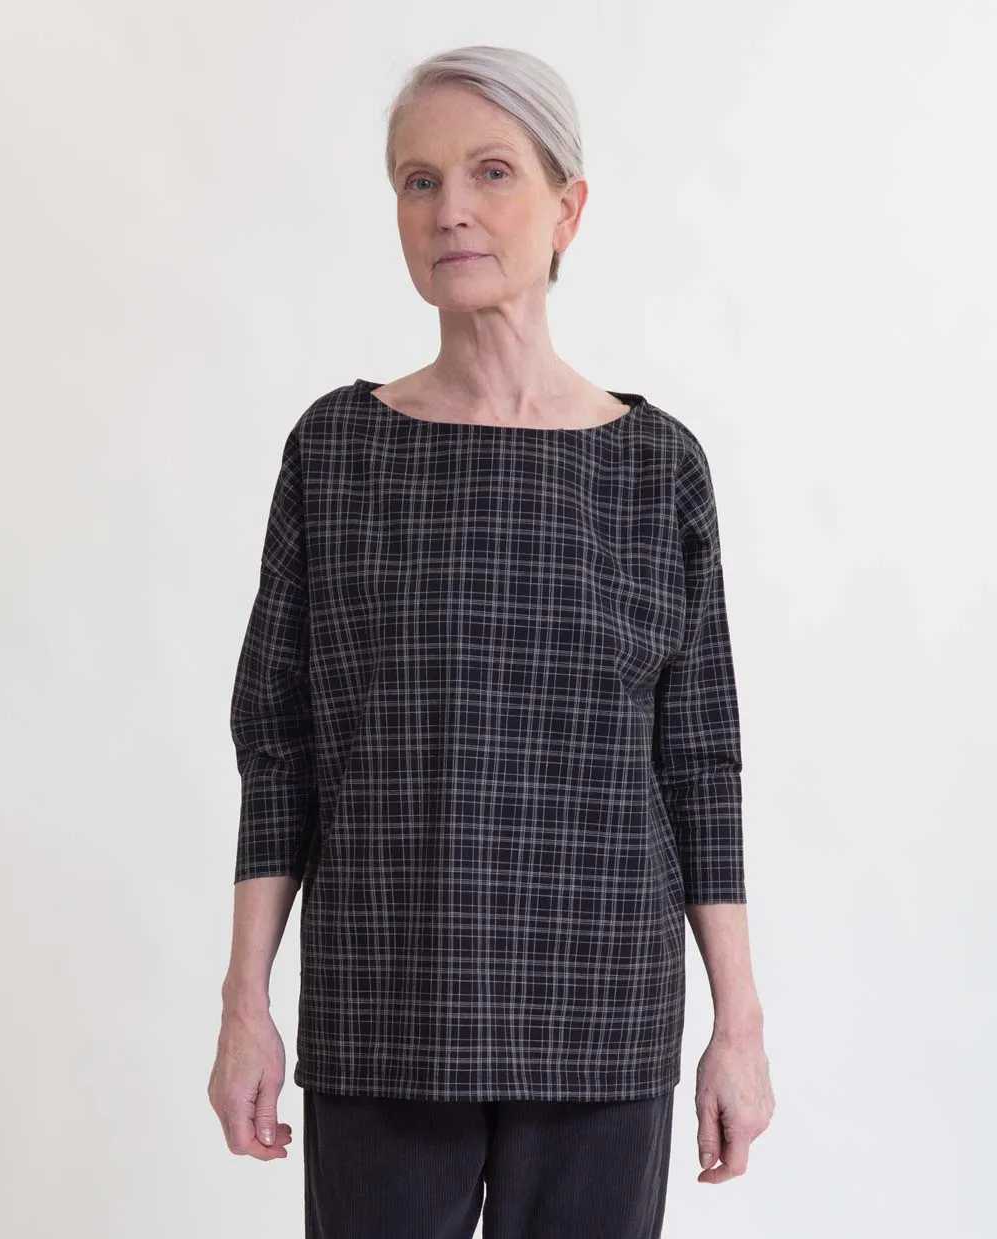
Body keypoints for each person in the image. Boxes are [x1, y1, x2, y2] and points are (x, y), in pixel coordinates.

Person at [208, 43, 774, 1238]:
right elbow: (279, 748)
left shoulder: (656, 468)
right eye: (418, 181)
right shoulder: (337, 452)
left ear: (569, 207)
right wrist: (244, 1004)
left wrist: (739, 1026)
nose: (449, 209)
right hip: (384, 1009)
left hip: (602, 1019)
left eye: (490, 172)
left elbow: (699, 766)